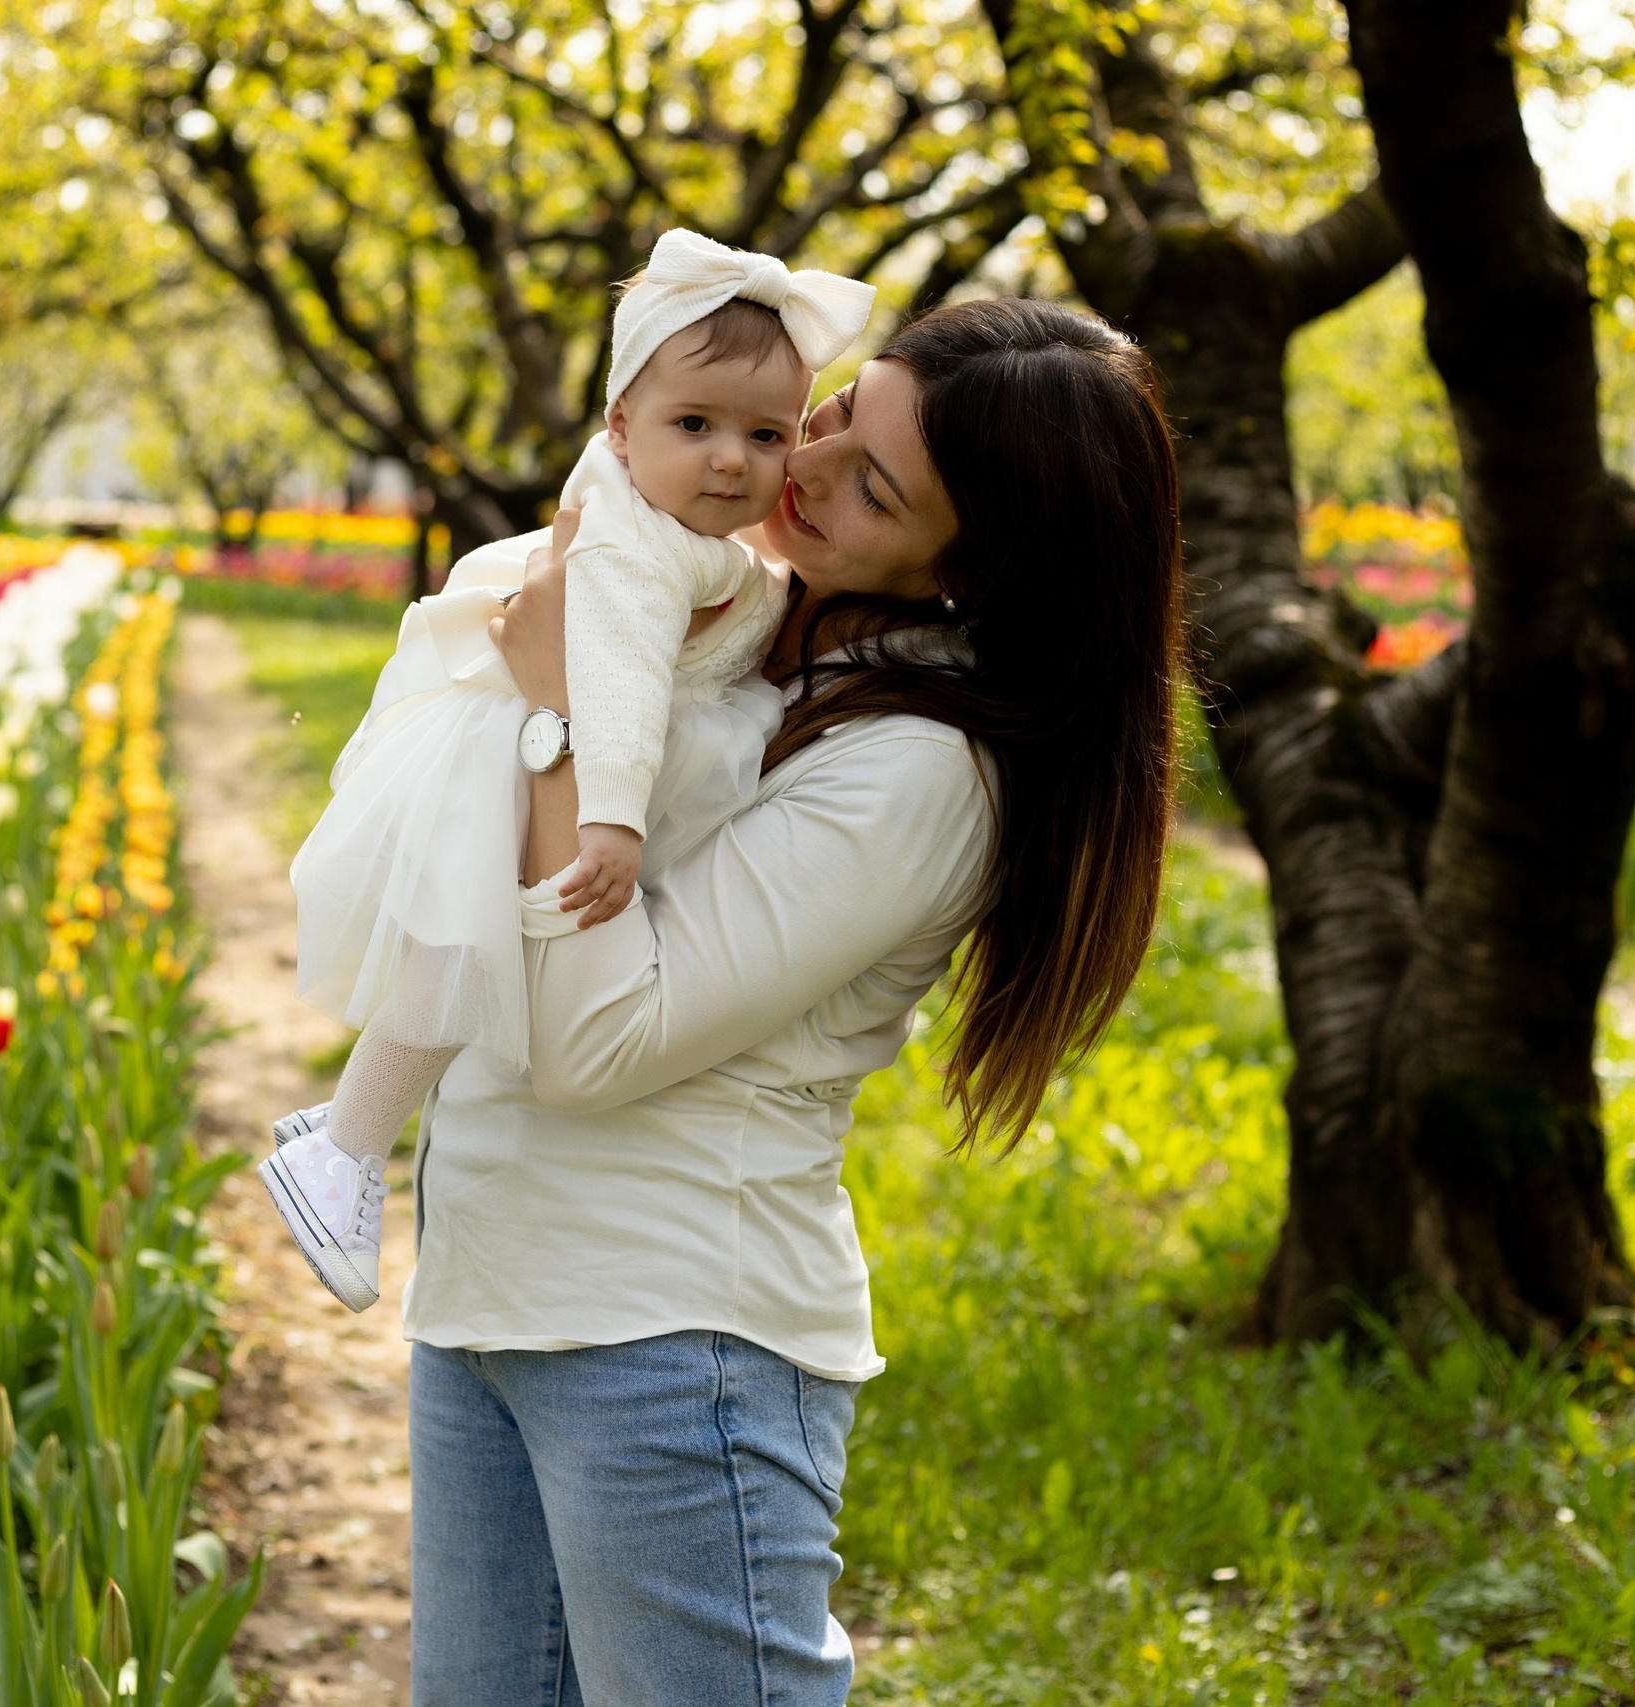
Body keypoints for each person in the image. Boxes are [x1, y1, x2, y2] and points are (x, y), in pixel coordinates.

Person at [407, 296, 1188, 1705]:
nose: (797, 469)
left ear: (979, 569)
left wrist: (557, 717)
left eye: (870, 482)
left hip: (665, 1336)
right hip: (493, 1284)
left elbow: (597, 1041)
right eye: (831, 416)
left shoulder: (920, 769)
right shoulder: (746, 626)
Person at [266, 230, 876, 1311]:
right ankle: (344, 1148)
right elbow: (622, 689)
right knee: (462, 954)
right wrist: (611, 818)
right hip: (533, 750)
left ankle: (343, 1136)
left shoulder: (667, 514)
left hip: (532, 730)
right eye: (695, 426)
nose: (732, 460)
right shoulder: (633, 553)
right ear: (618, 426)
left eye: (766, 434)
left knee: (463, 951)